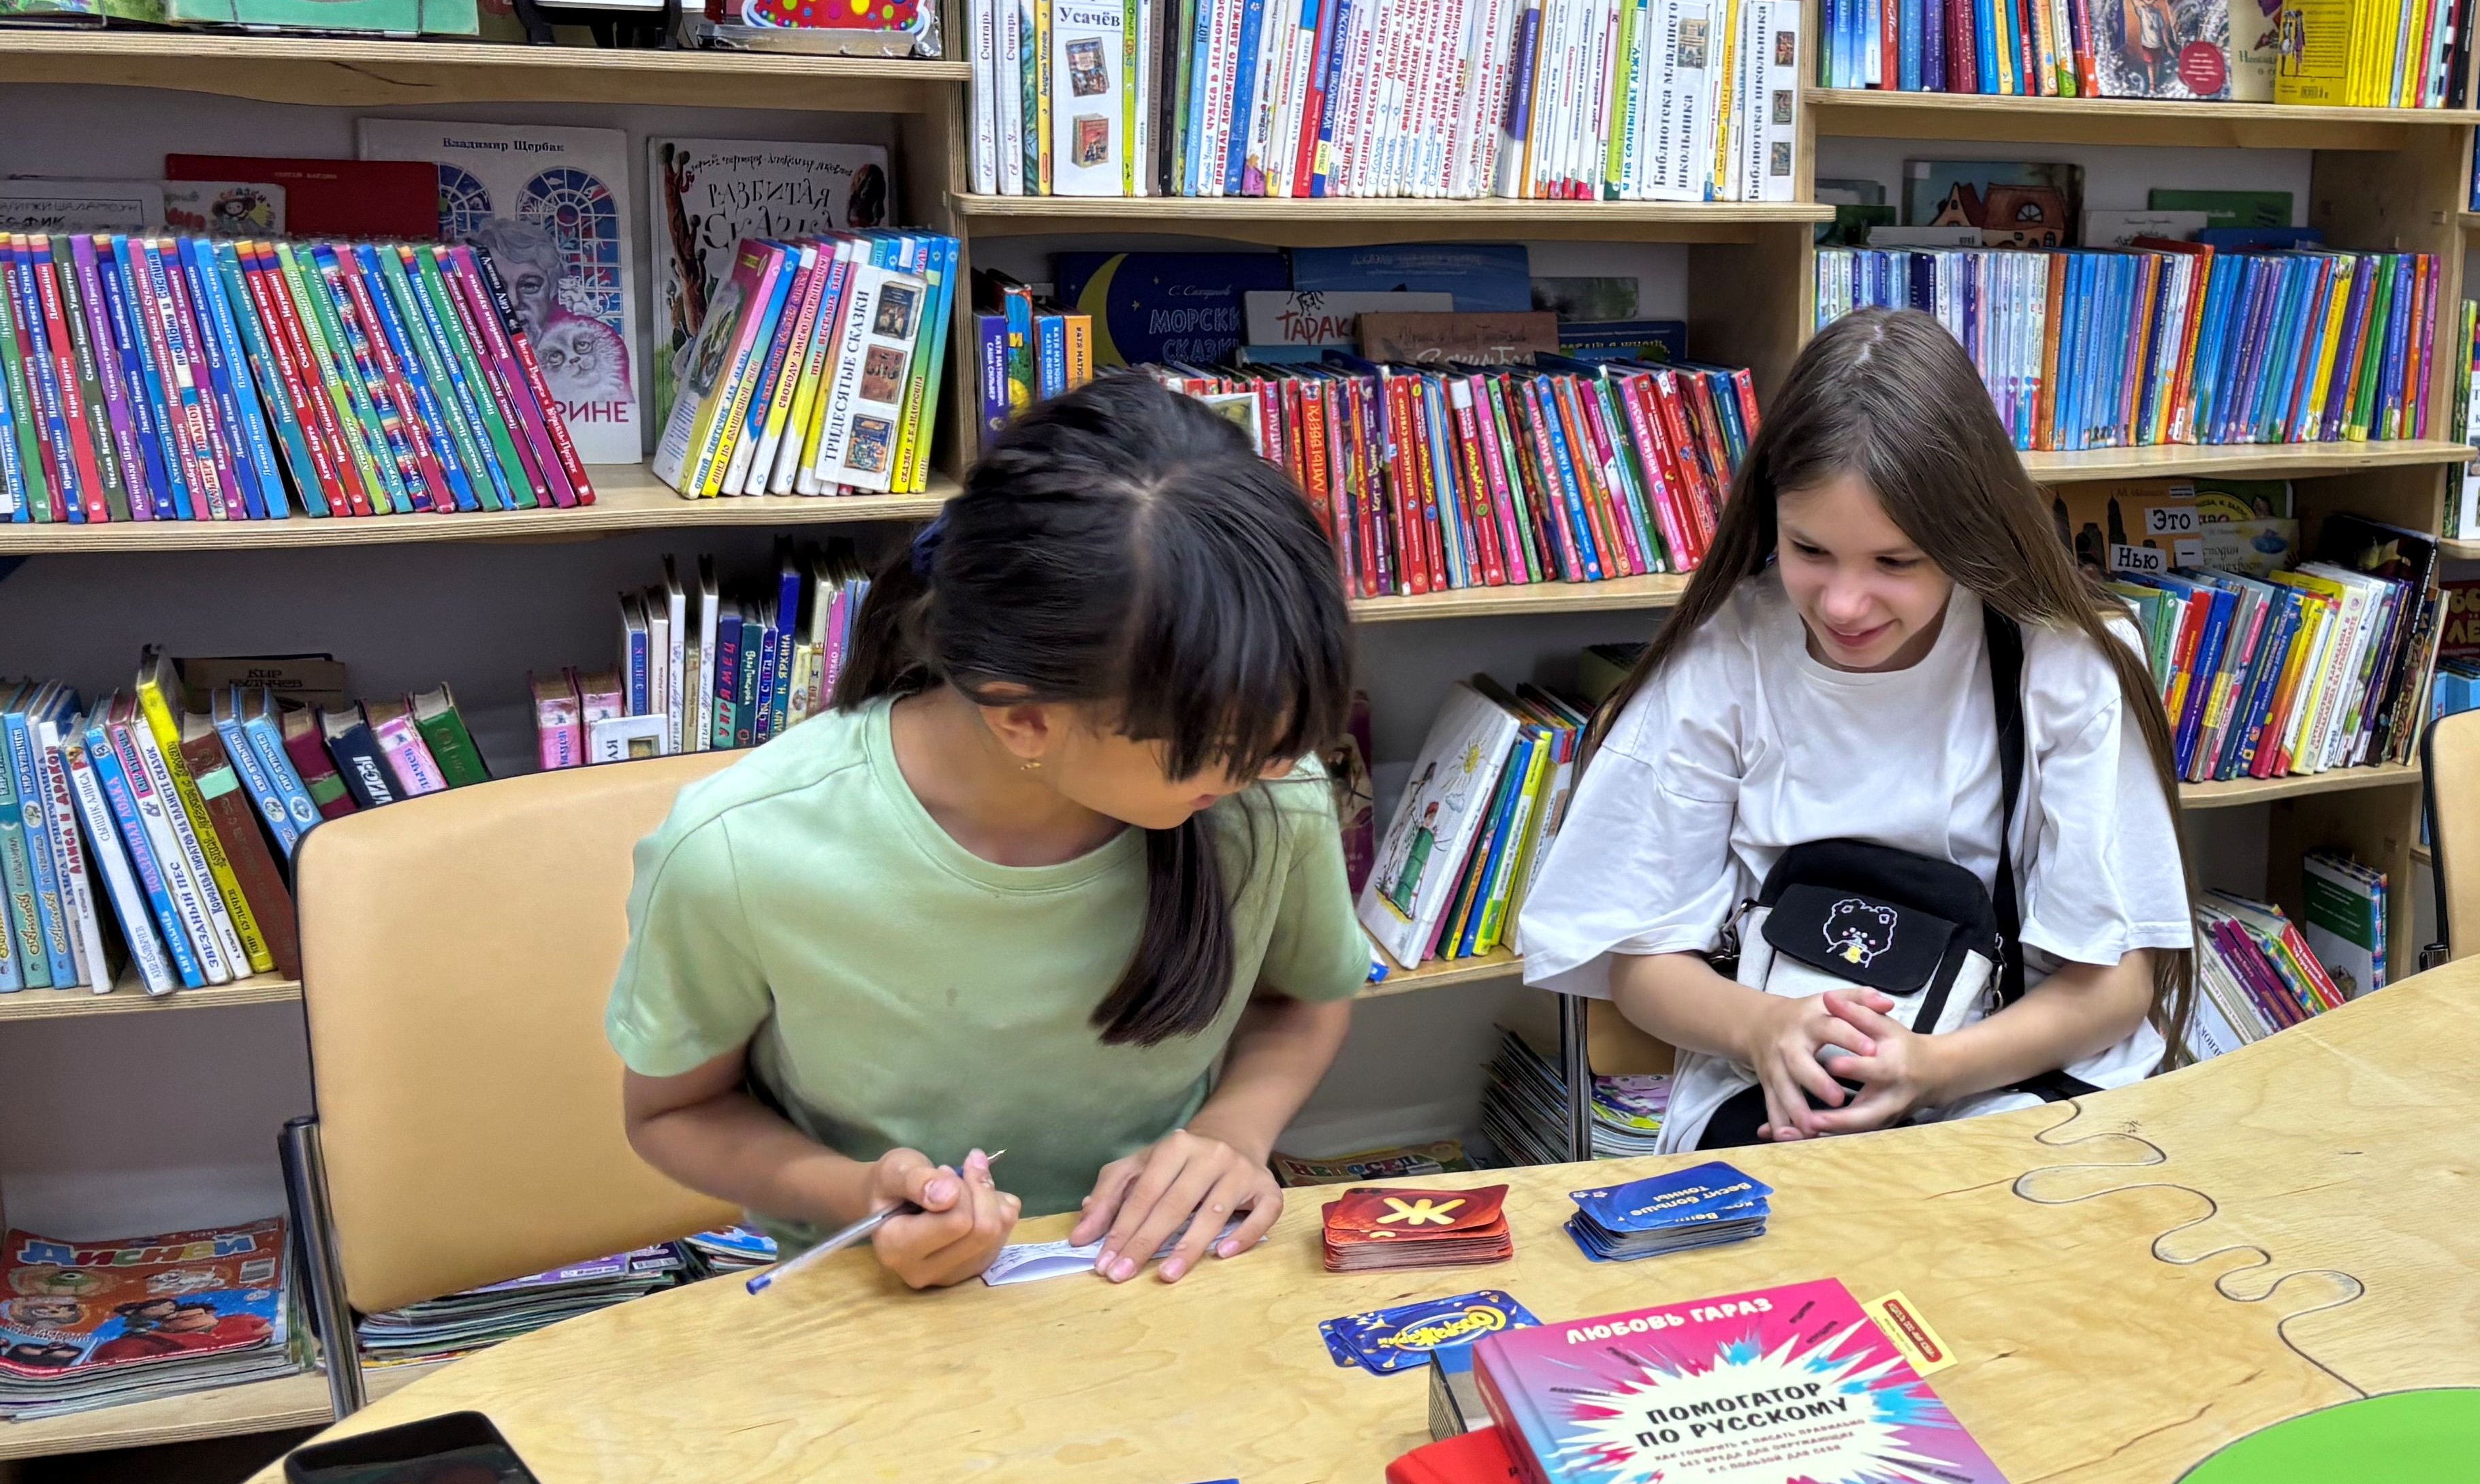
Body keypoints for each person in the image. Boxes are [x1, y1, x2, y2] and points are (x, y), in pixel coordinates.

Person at [609, 374, 1367, 1289]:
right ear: (1025, 720)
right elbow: (672, 1113)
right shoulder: (740, 846)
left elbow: (1303, 999)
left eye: (1282, 737)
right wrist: (860, 1196)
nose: (1274, 767)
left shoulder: (1268, 801)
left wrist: (1231, 1133)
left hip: (1159, 1283)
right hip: (869, 1302)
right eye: (1221, 747)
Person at [1521, 310, 2193, 1150]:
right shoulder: (1725, 654)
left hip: (2011, 1077)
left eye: (1895, 562)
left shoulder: (2064, 658)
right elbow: (1641, 963)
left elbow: (2118, 985)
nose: (1843, 604)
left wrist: (1933, 1068)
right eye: (1809, 550)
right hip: (1781, 1090)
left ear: (1968, 534)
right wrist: (1763, 1027)